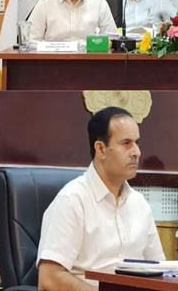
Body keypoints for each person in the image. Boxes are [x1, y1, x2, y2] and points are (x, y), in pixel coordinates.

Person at [37, 107, 164, 290]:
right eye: (126, 143)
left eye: (137, 143)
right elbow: (49, 278)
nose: (136, 152)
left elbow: (160, 271)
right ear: (101, 149)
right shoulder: (72, 200)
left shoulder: (139, 204)